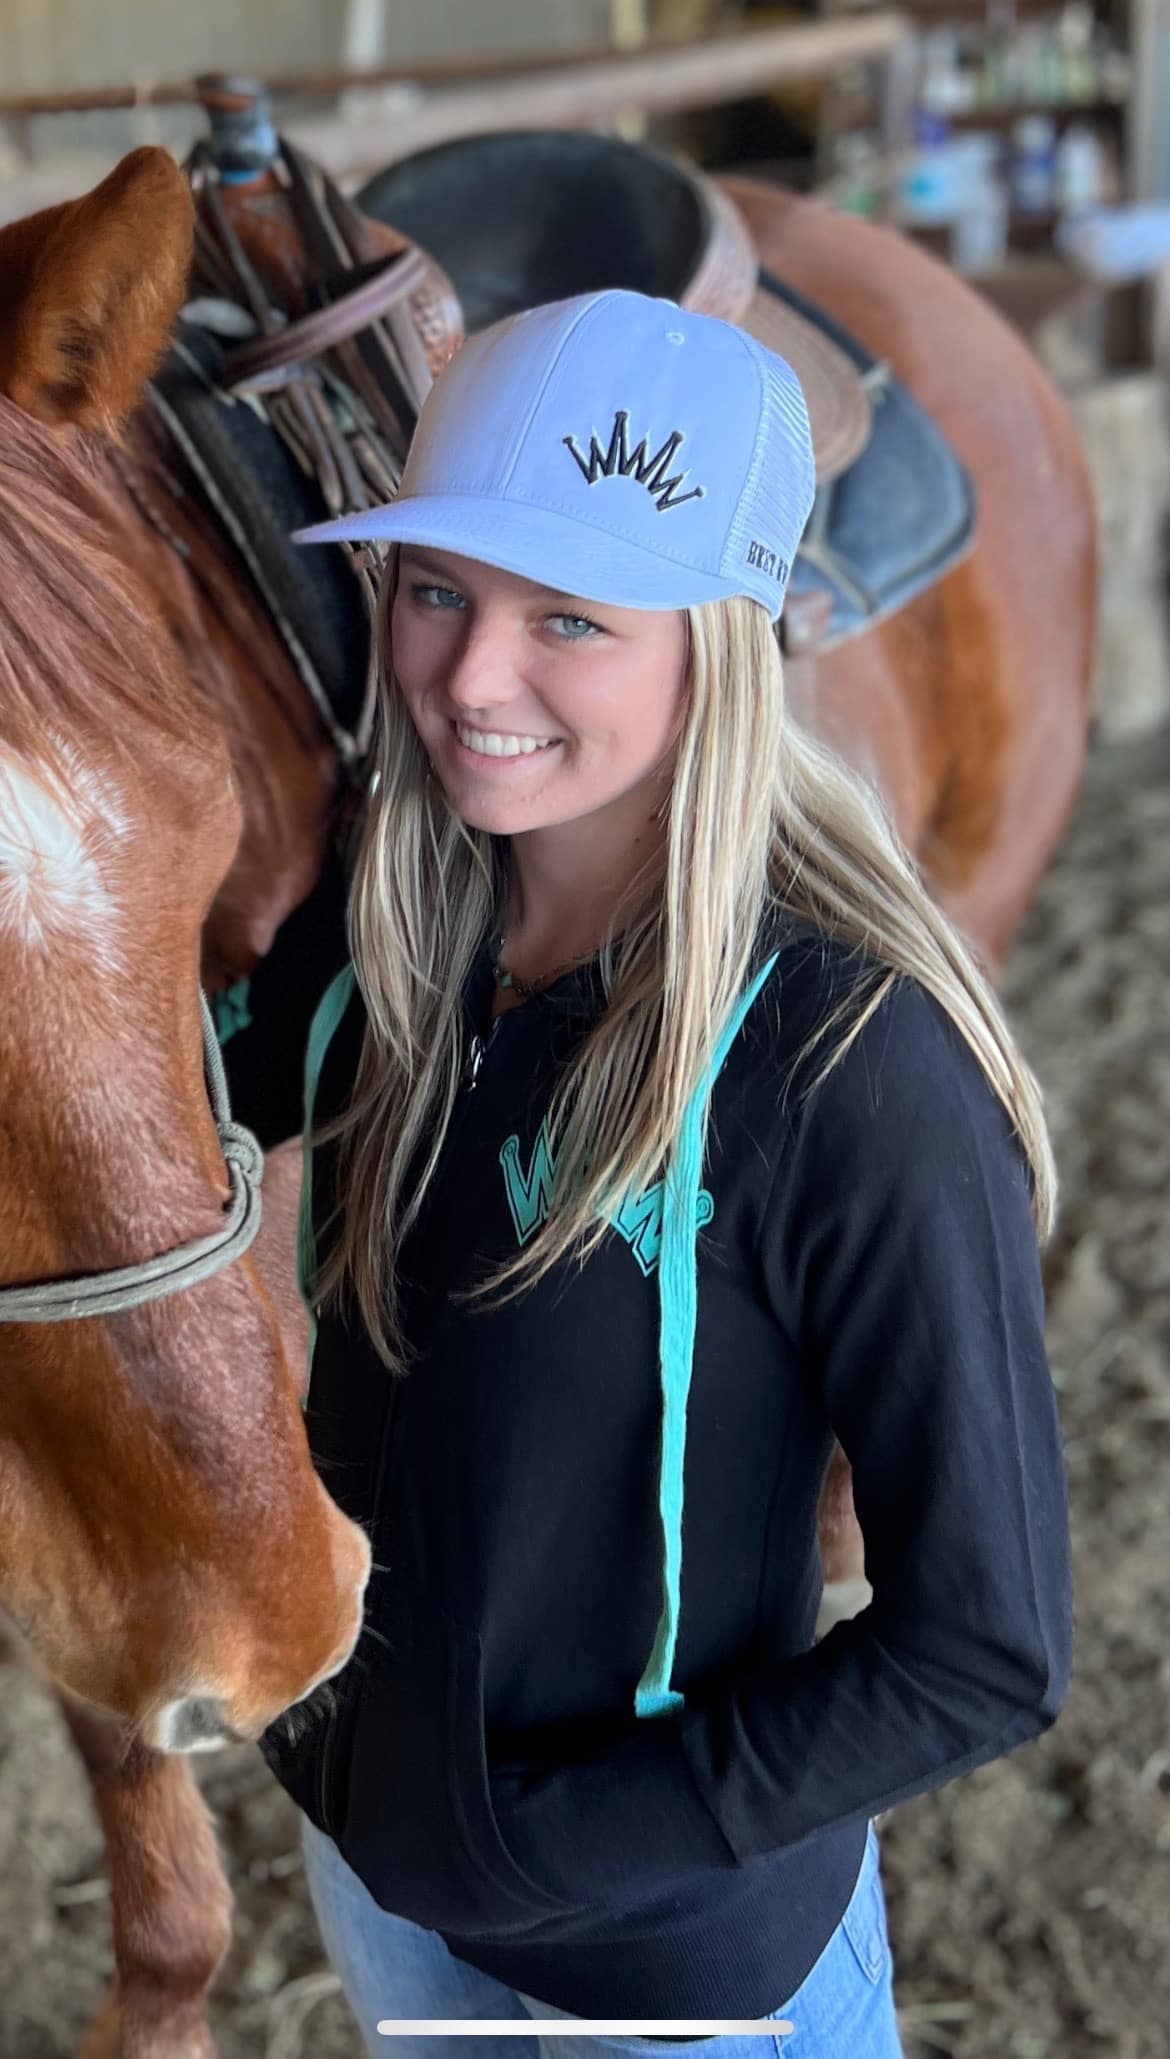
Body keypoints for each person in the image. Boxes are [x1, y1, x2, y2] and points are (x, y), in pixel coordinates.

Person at [258, 288, 1074, 2059]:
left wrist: (541, 1846)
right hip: (384, 1889)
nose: (474, 677)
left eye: (570, 615)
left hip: (681, 1982)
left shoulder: (851, 1069)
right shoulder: (385, 932)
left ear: (715, 646)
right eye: (436, 590)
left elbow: (984, 1648)